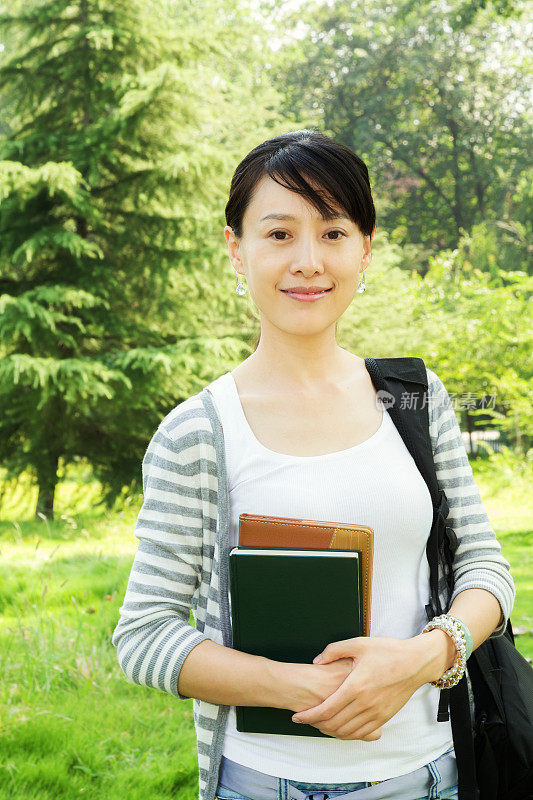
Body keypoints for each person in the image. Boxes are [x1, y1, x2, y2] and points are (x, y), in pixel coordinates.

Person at [111, 130, 516, 800]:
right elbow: (144, 633)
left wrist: (420, 659)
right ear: (235, 250)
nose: (308, 261)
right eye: (278, 234)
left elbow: (486, 569)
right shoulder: (199, 432)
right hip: (264, 783)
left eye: (332, 232)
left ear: (364, 249)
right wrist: (304, 687)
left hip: (431, 775)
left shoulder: (414, 399)